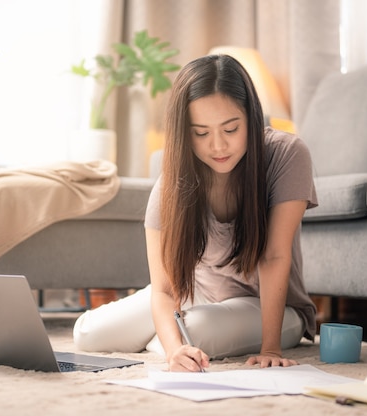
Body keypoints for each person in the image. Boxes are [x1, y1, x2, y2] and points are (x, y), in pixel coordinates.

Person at [73, 54, 318, 372]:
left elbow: (273, 256)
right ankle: (166, 337)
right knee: (88, 333)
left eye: (231, 129)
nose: (218, 146)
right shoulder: (171, 183)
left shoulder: (286, 154)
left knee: (194, 333)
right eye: (201, 133)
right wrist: (174, 350)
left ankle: (167, 334)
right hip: (196, 294)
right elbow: (163, 289)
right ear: (184, 133)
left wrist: (270, 347)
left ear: (251, 118)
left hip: (272, 307)